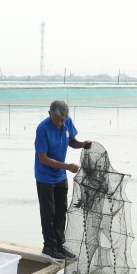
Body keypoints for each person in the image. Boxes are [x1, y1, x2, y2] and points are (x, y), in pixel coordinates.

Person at [35, 100, 91, 260]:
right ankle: (49, 247)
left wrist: (83, 144)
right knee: (48, 212)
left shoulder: (67, 122)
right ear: (49, 114)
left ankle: (59, 245)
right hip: (44, 176)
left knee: (61, 211)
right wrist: (67, 166)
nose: (59, 123)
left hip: (60, 175)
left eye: (62, 120)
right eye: (56, 119)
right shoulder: (42, 129)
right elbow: (43, 158)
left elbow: (72, 141)